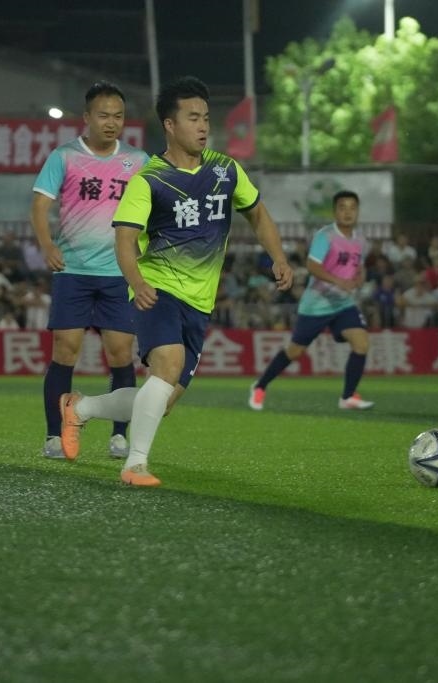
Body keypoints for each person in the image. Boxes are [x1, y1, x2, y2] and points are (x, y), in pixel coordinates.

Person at [58, 75, 293, 487]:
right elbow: (124, 240)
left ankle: (81, 408)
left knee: (162, 400)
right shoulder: (149, 181)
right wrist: (137, 282)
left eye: (206, 118)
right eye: (193, 118)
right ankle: (135, 465)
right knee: (167, 365)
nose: (203, 126)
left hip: (200, 302)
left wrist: (278, 256)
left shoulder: (226, 170)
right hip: (157, 290)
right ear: (170, 124)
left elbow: (257, 213)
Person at [31, 80, 150, 460]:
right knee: (65, 351)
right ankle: (54, 435)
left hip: (119, 273)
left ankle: (118, 436)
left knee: (121, 354)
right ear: (86, 117)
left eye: (118, 116)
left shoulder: (138, 161)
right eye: (103, 115)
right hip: (74, 271)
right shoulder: (64, 157)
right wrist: (48, 245)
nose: (111, 122)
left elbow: (155, 207)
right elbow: (39, 205)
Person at [248, 190, 374, 412]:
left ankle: (348, 397)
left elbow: (359, 266)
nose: (347, 212)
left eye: (352, 208)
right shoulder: (325, 236)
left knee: (361, 343)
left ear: (358, 211)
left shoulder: (361, 240)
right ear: (335, 211)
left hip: (343, 304)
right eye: (342, 207)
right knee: (295, 351)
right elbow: (312, 266)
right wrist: (339, 281)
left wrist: (360, 278)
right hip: (316, 305)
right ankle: (260, 386)